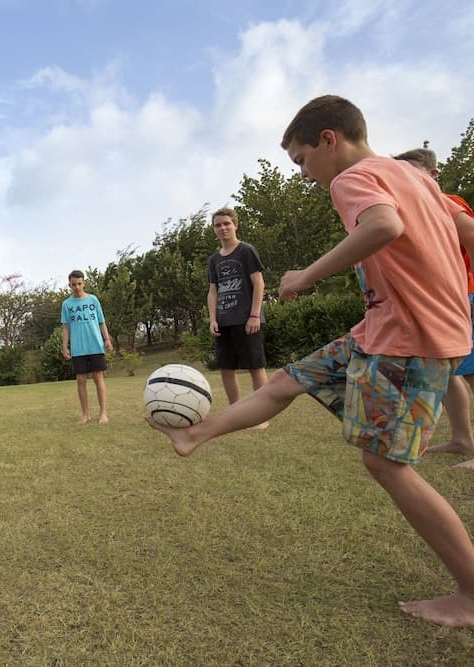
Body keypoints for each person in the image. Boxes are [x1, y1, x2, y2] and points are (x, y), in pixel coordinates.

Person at [148, 95, 474, 628]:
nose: (302, 175)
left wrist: (305, 276)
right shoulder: (414, 175)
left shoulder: (354, 177)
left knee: (385, 463)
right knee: (287, 380)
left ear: (329, 139)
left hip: (407, 336)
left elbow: (384, 227)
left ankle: (471, 593)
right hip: (389, 326)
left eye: (301, 161)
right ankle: (194, 435)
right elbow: (462, 234)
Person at [393, 148, 474, 470]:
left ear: (433, 174)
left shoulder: (444, 203)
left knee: (471, 373)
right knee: (452, 371)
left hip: (465, 296)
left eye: (413, 172)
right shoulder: (417, 210)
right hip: (444, 301)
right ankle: (462, 438)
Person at [207, 208, 269, 428]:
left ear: (235, 225)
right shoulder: (214, 260)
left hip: (247, 319)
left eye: (226, 223)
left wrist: (254, 315)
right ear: (214, 229)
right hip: (224, 321)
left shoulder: (246, 251)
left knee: (255, 367)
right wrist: (213, 318)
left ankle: (261, 416)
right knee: (226, 369)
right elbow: (213, 291)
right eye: (218, 225)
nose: (222, 228)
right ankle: (236, 412)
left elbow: (259, 283)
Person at [61, 270, 114, 423]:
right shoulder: (66, 304)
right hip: (78, 348)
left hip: (95, 345)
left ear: (84, 283)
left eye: (79, 283)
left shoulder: (93, 300)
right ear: (69, 285)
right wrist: (65, 346)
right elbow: (65, 327)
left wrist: (107, 339)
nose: (77, 287)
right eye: (73, 284)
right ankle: (85, 415)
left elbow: (101, 322)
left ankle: (103, 414)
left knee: (98, 377)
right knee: (81, 380)